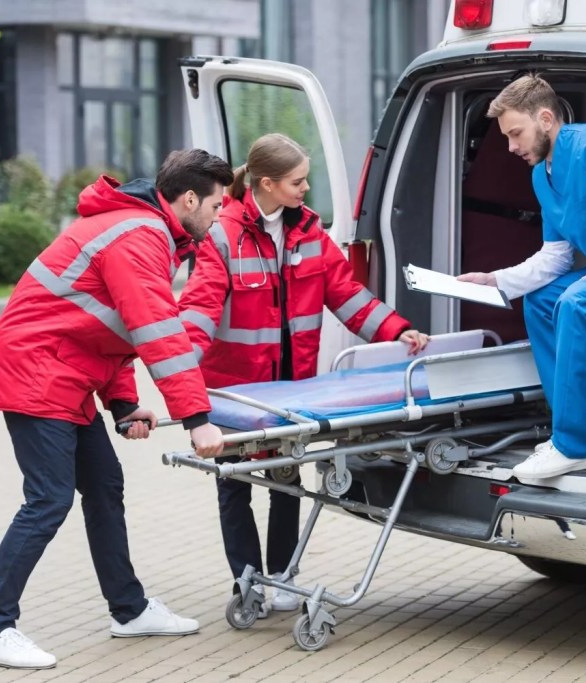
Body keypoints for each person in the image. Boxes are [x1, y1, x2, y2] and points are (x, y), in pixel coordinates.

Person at [0, 149, 233, 670]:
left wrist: (124, 404)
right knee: (48, 500)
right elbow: (157, 332)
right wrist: (197, 419)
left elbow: (112, 328)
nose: (219, 215)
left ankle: (129, 610)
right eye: (216, 204)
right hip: (37, 373)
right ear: (188, 199)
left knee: (105, 485)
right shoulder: (140, 236)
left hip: (66, 375)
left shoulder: (147, 231)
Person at [178, 133, 429, 616]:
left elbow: (346, 294)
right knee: (234, 487)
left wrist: (397, 330)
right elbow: (200, 309)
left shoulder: (309, 232)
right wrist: (179, 369)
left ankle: (282, 577)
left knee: (286, 482)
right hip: (236, 394)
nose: (306, 189)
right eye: (297, 181)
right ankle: (246, 582)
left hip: (290, 392)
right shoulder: (222, 235)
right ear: (266, 183)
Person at [458, 74, 586, 480]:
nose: (511, 147)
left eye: (516, 133)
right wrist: (495, 280)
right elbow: (555, 256)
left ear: (546, 119)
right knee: (540, 299)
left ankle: (576, 447)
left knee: (576, 302)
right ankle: (565, 430)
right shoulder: (540, 176)